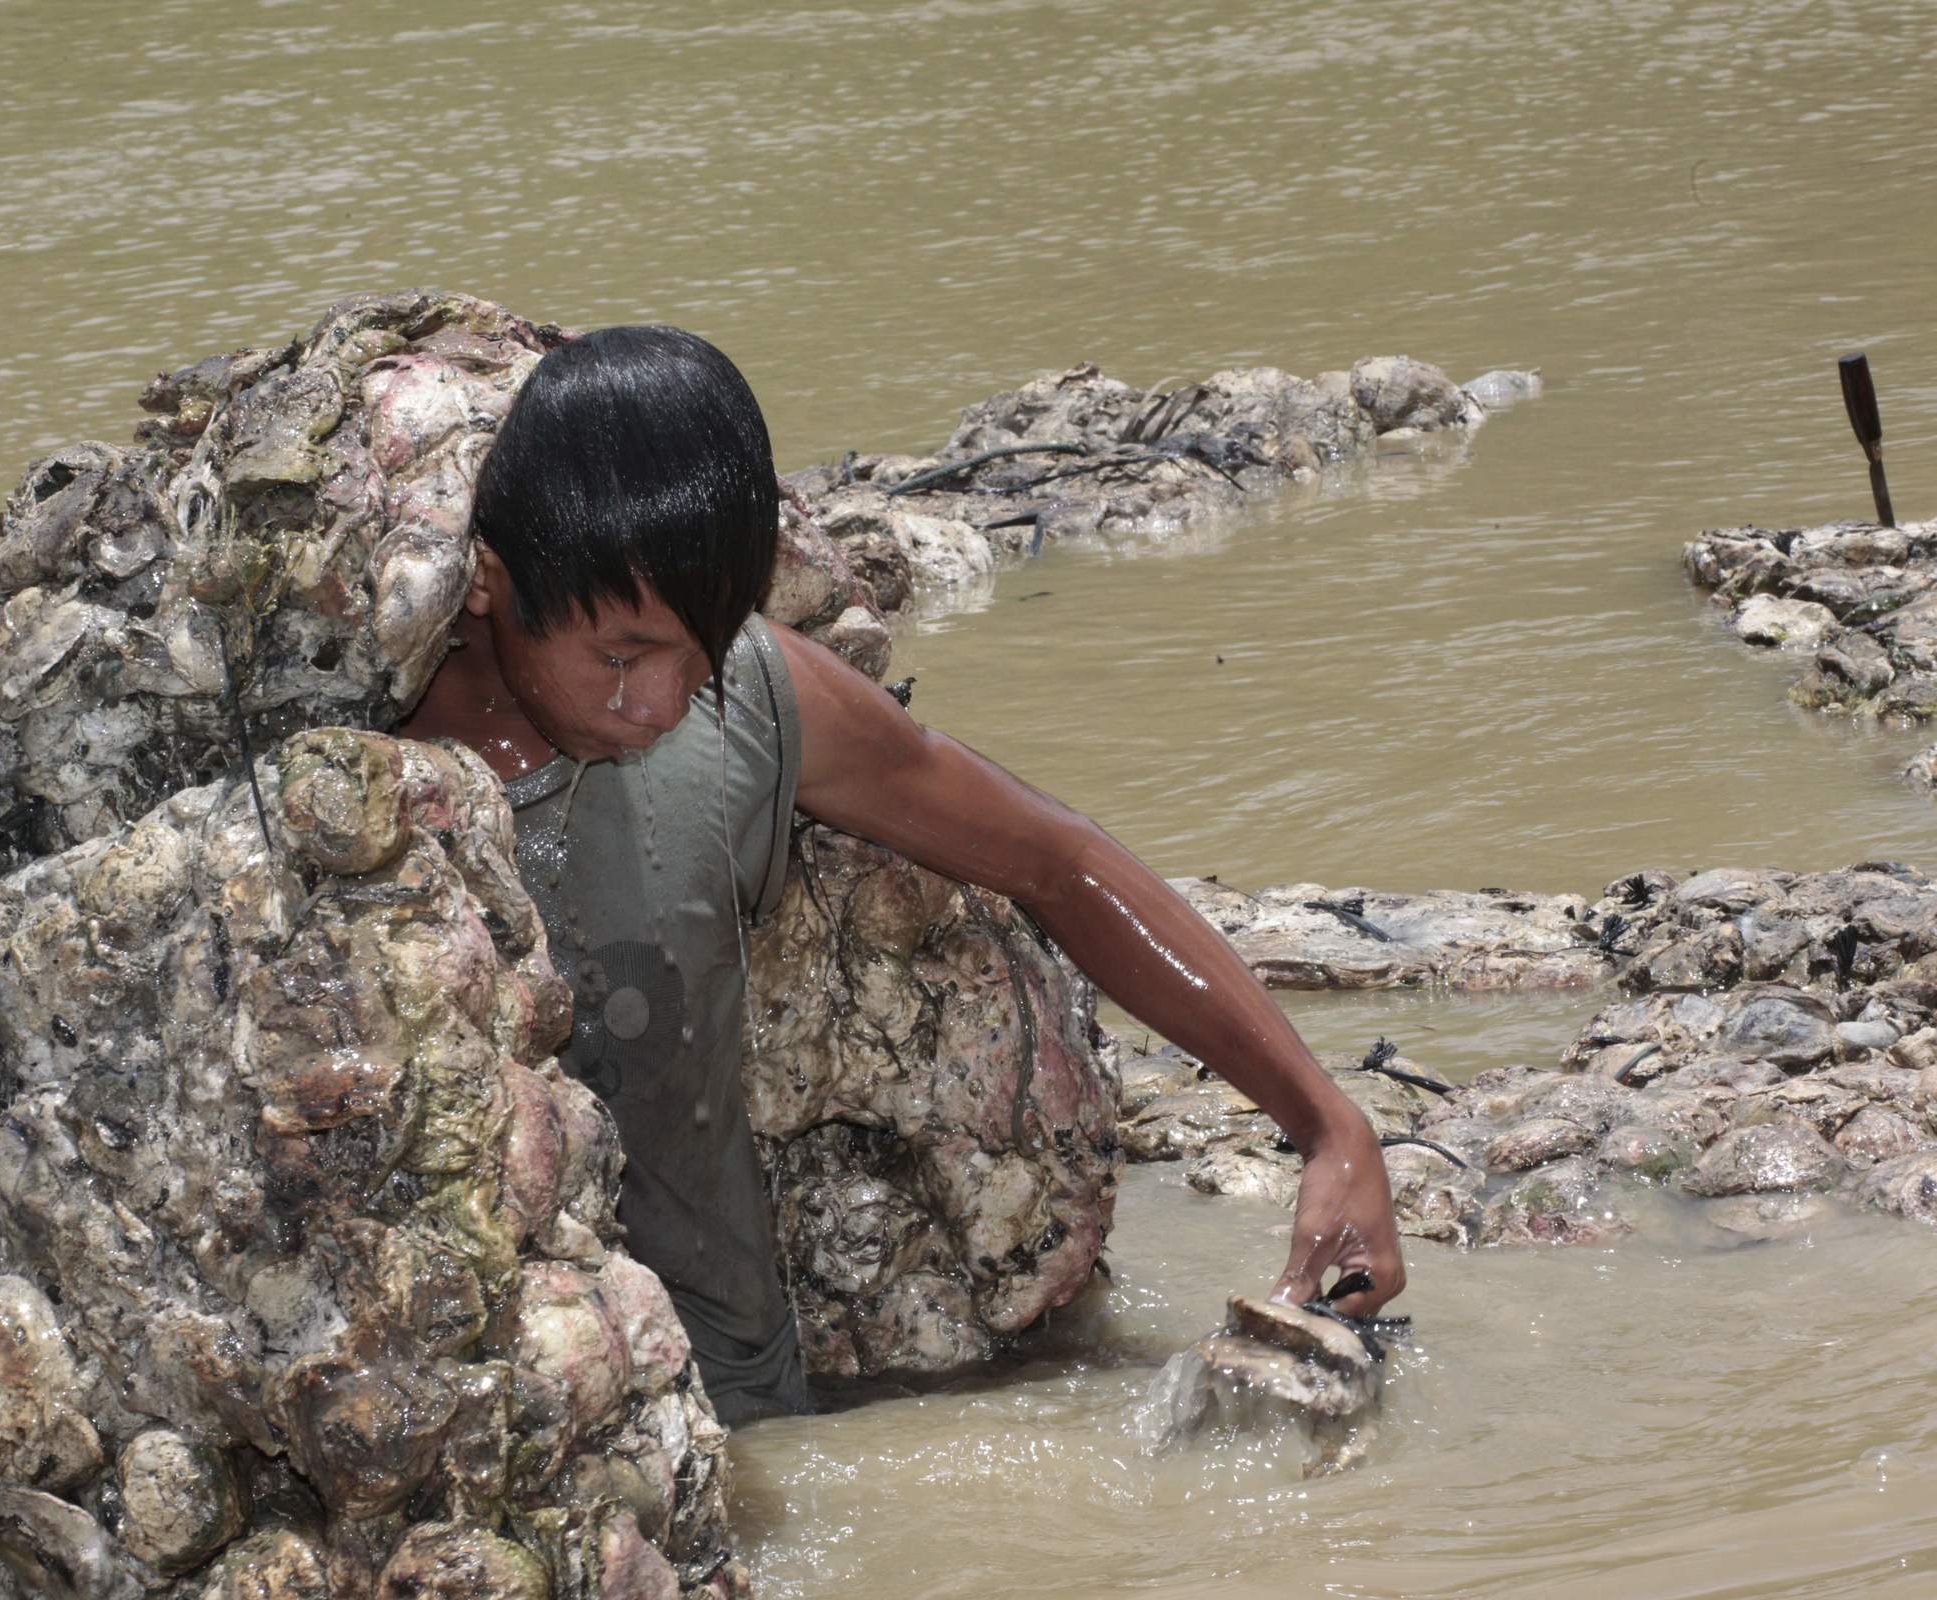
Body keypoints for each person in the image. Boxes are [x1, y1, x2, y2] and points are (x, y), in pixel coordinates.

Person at [398, 324, 1405, 1423]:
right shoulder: (344, 775)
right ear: (492, 582)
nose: (664, 704)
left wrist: (1327, 1125)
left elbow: (1057, 862)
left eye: (703, 649)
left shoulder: (753, 706)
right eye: (624, 657)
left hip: (735, 1423)